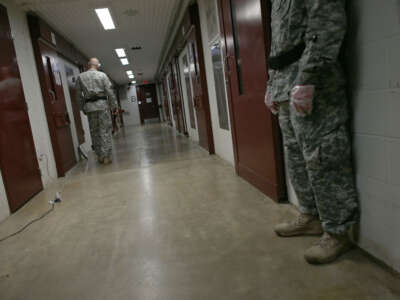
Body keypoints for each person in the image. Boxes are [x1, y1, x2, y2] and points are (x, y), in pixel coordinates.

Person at [265, 0, 358, 264]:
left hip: (313, 84)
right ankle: (311, 216)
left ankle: (338, 231)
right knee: (295, 157)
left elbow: (327, 24)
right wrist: (271, 83)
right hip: (285, 85)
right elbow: (280, 43)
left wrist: (310, 78)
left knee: (323, 156)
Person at [75, 58, 117, 165]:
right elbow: (109, 92)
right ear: (97, 65)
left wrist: (82, 108)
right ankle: (106, 156)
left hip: (90, 107)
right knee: (105, 130)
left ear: (88, 65)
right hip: (102, 106)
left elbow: (78, 95)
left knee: (94, 131)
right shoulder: (102, 75)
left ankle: (99, 156)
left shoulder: (80, 77)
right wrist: (114, 105)